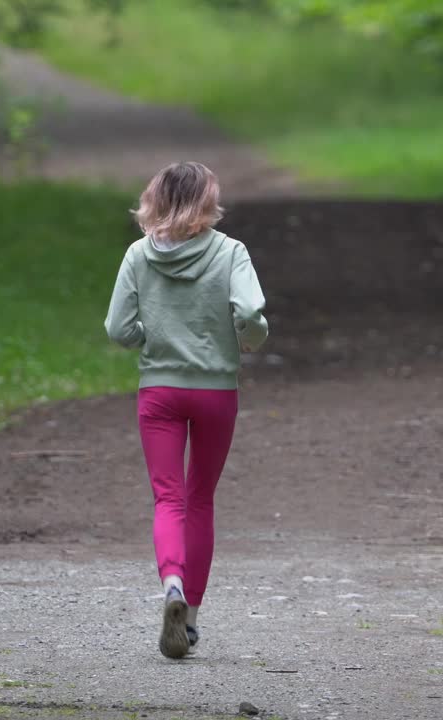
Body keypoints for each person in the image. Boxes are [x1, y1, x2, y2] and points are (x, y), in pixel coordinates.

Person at [104, 161, 269, 659]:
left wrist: (148, 339)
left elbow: (118, 327)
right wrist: (249, 342)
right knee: (200, 500)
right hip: (216, 390)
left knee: (168, 499)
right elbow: (249, 313)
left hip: (160, 391)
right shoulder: (230, 251)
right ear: (207, 203)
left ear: (154, 200)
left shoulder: (138, 255)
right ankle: (190, 618)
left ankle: (171, 583)